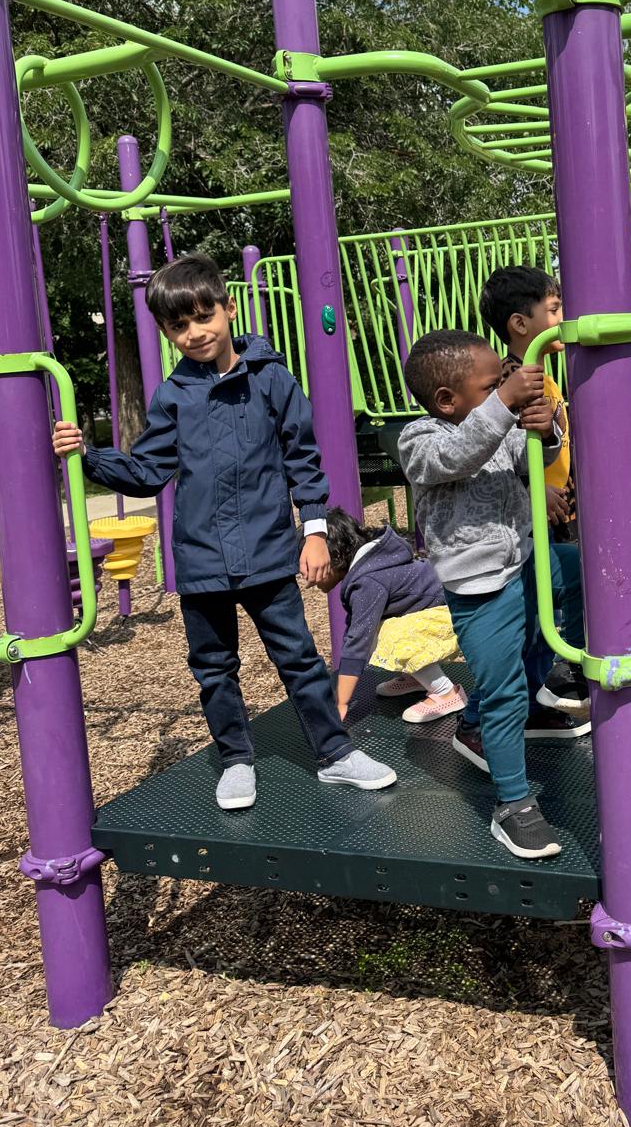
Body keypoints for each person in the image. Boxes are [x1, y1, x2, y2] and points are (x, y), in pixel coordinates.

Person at [52, 254, 396, 810]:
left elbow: (303, 462)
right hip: (203, 559)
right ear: (166, 331)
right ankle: (236, 760)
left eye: (203, 316)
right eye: (178, 325)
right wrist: (88, 456)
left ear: (228, 308)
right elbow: (146, 472)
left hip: (266, 552)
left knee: (299, 657)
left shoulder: (271, 380)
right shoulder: (174, 397)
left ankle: (334, 755)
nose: (194, 333)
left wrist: (313, 533)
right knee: (214, 668)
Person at [397, 329, 590, 860]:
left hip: (525, 558)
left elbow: (525, 458)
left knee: (573, 572)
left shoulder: (494, 421)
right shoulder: (421, 438)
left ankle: (542, 689)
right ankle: (513, 803)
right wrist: (505, 405)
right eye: (490, 387)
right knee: (499, 688)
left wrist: (544, 428)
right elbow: (456, 456)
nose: (501, 392)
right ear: (446, 400)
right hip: (480, 587)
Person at [479, 264, 588, 715]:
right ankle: (536, 687)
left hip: (557, 506)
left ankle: (544, 684)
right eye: (554, 309)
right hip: (532, 515)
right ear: (521, 324)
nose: (563, 317)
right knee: (536, 605)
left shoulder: (543, 374)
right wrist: (535, 492)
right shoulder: (511, 382)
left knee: (556, 597)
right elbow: (501, 453)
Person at [322, 505, 465, 727]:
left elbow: (358, 638)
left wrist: (341, 703)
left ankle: (446, 693)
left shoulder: (368, 581)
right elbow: (354, 630)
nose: (304, 571)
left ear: (337, 555)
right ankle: (416, 677)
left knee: (386, 633)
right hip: (442, 610)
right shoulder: (369, 568)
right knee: (380, 627)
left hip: (455, 615)